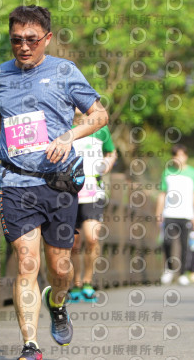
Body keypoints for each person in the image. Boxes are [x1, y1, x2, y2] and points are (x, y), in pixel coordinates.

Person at [0, 5, 108, 360]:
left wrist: (69, 136)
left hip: (59, 183)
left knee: (60, 268)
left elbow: (100, 114)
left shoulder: (65, 71)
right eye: (16, 40)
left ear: (47, 38)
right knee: (27, 263)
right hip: (16, 182)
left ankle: (58, 300)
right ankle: (30, 346)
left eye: (32, 39)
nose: (24, 46)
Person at [68, 112, 116, 302]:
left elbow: (111, 152)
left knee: (92, 237)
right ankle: (76, 284)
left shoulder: (100, 128)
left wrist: (107, 163)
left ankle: (88, 281)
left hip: (93, 192)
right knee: (73, 244)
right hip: (70, 193)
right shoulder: (64, 127)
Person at [156, 144, 194, 286]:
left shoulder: (193, 173)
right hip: (170, 213)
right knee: (167, 241)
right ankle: (169, 269)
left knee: (185, 244)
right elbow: (162, 194)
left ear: (186, 156)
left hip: (187, 214)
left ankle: (182, 273)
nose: (179, 158)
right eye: (176, 155)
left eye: (182, 155)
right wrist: (158, 212)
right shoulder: (167, 172)